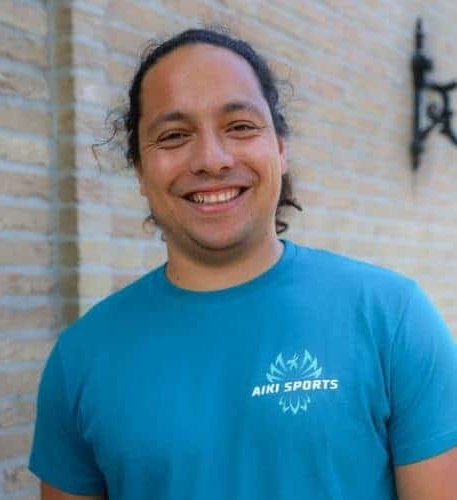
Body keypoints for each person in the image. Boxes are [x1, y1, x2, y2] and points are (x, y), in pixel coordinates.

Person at [28, 28, 457, 500]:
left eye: (240, 126)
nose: (211, 160)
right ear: (140, 170)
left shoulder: (391, 318)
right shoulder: (82, 357)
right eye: (174, 135)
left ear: (281, 148)